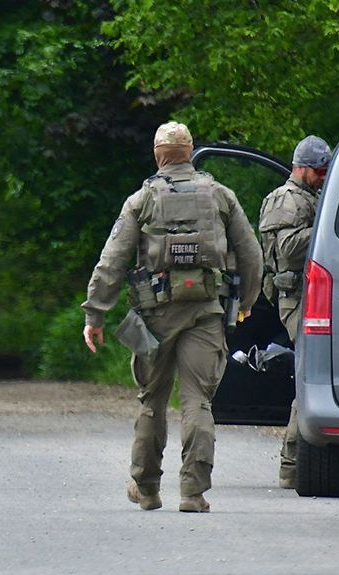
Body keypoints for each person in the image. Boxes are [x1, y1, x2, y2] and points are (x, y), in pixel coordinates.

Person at [81, 121, 263, 513]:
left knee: (152, 401)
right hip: (206, 313)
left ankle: (146, 488)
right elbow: (251, 254)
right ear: (190, 151)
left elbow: (112, 260)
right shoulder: (220, 195)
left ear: (158, 154)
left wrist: (95, 313)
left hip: (154, 316)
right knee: (198, 401)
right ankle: (192, 493)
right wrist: (246, 301)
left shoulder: (141, 200)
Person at [259, 135, 332, 489]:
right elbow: (287, 250)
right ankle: (292, 464)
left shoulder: (309, 198)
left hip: (310, 294)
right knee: (308, 376)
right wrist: (325, 230)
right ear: (300, 168)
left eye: (325, 171)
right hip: (296, 299)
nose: (322, 176)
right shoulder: (286, 200)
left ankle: (296, 463)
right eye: (318, 171)